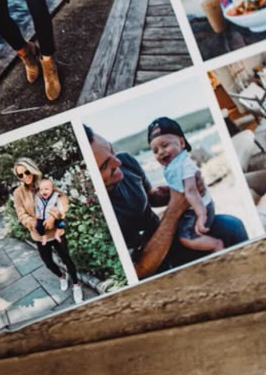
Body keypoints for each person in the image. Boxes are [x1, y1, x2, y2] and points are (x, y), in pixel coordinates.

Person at [86, 126, 247, 280]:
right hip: (148, 264)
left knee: (232, 226)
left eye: (112, 150)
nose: (117, 162)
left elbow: (150, 196)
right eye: (106, 165)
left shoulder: (126, 161)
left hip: (168, 236)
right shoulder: (95, 216)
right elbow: (139, 271)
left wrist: (176, 191)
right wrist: (175, 207)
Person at [147, 116, 223, 254]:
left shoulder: (184, 165)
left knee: (186, 237)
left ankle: (216, 246)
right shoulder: (175, 164)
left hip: (199, 210)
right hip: (196, 208)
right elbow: (181, 186)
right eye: (155, 151)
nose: (161, 152)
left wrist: (201, 216)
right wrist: (170, 189)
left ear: (181, 142)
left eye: (165, 145)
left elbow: (191, 191)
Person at [12, 158, 83, 304]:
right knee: (48, 262)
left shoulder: (45, 184)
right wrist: (35, 223)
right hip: (39, 235)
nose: (25, 176)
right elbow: (21, 215)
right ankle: (62, 277)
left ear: (32, 169)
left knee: (66, 259)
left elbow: (62, 198)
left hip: (56, 231)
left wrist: (53, 216)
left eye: (27, 172)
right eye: (20, 175)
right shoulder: (18, 193)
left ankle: (76, 285)